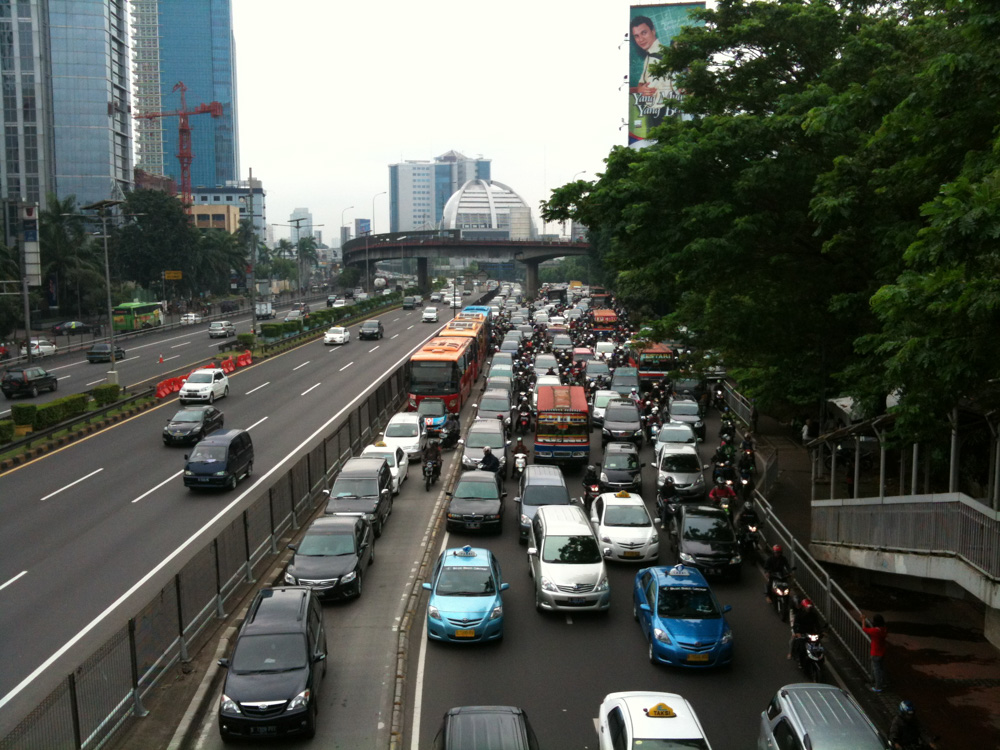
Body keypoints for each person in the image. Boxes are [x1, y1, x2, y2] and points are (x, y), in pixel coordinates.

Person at [861, 612, 889, 692]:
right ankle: (883, 683)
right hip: (882, 652)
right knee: (881, 669)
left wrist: (863, 620)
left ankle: (878, 686)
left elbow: (864, 629)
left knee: (876, 670)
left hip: (875, 652)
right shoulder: (884, 629)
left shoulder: (875, 631)